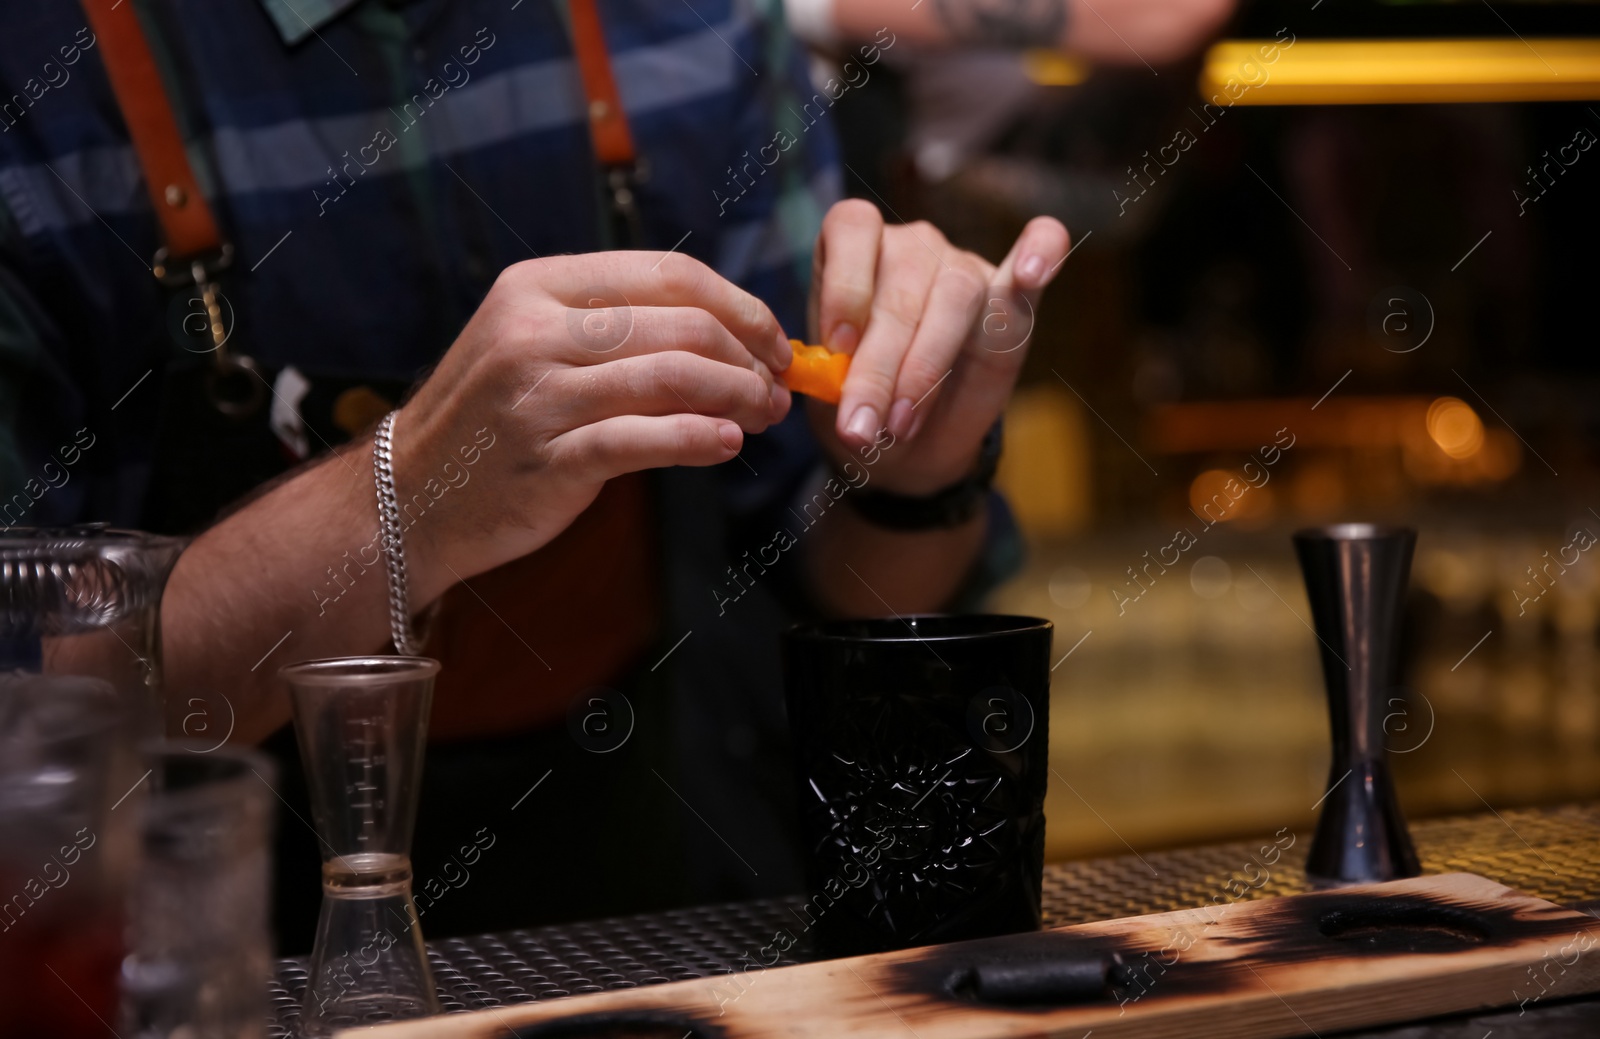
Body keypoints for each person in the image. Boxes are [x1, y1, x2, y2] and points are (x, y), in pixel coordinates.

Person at [0, 0, 1066, 947]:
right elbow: (25, 722)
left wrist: (913, 474)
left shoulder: (698, 35)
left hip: (649, 896)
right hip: (193, 948)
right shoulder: (41, 74)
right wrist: (404, 497)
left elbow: (856, 591)